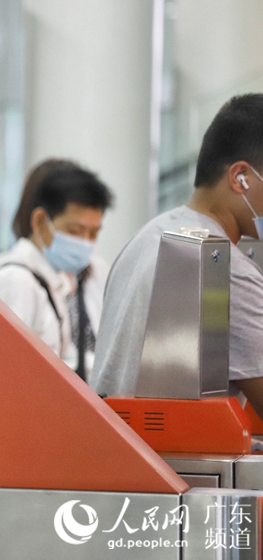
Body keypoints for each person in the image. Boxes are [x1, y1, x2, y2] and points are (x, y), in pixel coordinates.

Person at [90, 93, 263, 416]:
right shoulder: (222, 265)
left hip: (112, 449)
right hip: (169, 463)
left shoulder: (148, 235)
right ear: (241, 177)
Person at [0, 161, 113, 379]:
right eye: (74, 231)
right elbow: (3, 370)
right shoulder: (17, 280)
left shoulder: (54, 280)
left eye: (93, 234)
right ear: (40, 221)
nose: (85, 243)